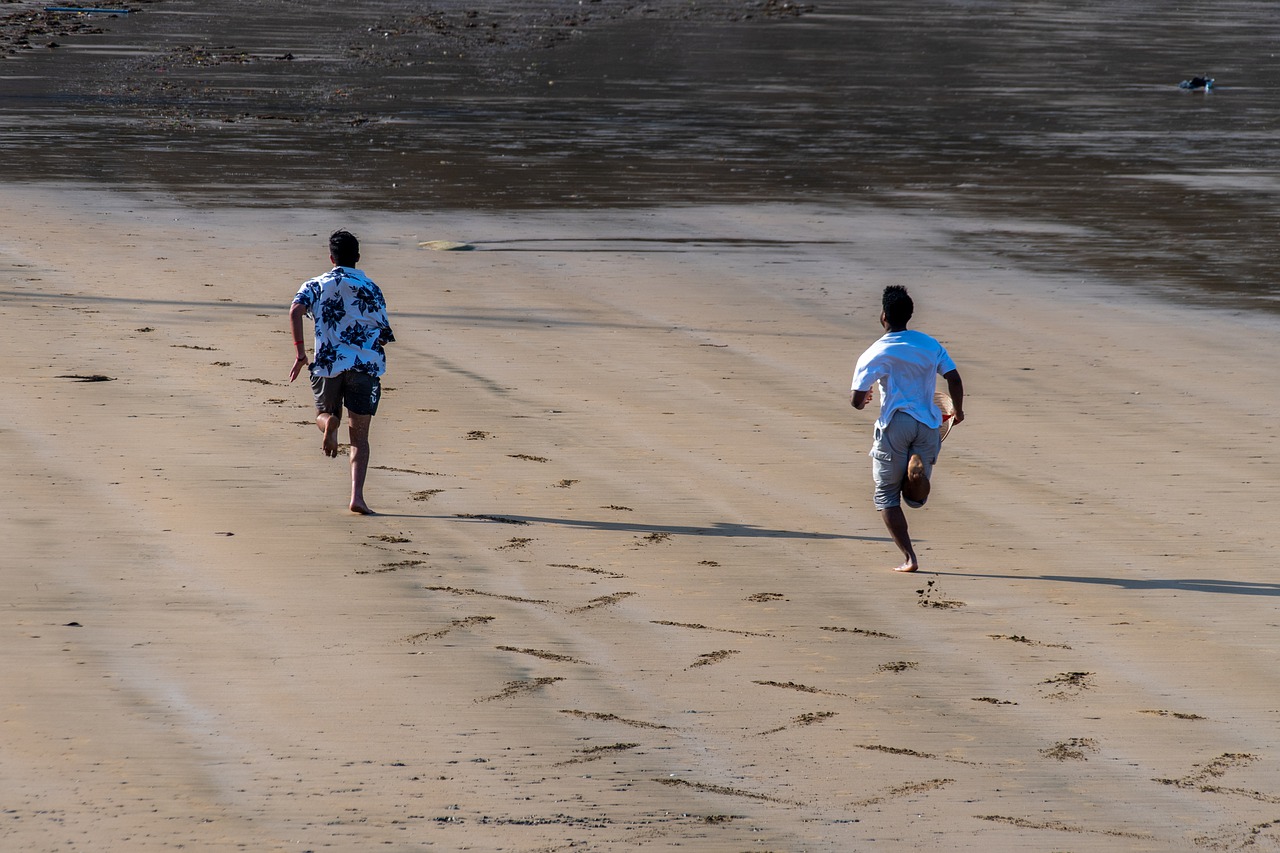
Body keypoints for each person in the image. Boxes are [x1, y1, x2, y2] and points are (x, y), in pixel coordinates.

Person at [850, 285, 964, 572]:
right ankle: (916, 469)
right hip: (928, 423)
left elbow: (856, 400)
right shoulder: (929, 344)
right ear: (909, 315)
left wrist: (865, 399)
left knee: (886, 495)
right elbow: (954, 378)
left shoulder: (876, 351)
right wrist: (958, 411)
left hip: (895, 423)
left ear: (884, 316)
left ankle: (909, 558)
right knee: (916, 499)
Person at [289, 229, 395, 514]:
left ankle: (328, 424)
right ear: (358, 257)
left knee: (323, 415)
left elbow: (295, 310)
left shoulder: (316, 284)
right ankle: (357, 498)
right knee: (360, 437)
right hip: (364, 365)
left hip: (328, 364)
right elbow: (383, 333)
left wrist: (300, 354)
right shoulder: (371, 287)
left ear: (331, 257)